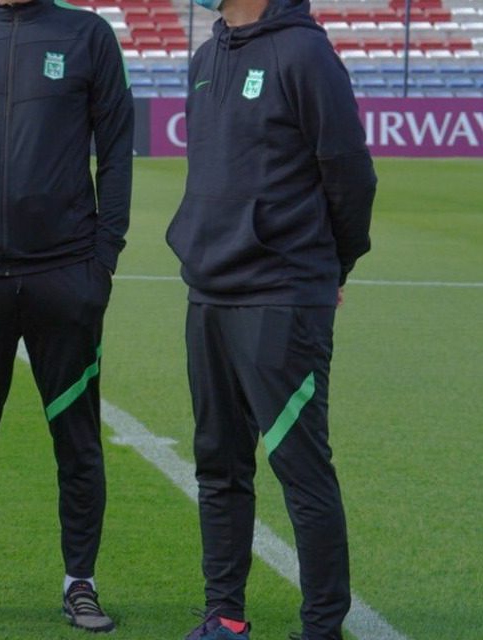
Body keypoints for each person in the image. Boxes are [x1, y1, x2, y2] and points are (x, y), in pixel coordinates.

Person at [0, 0, 133, 632]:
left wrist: (103, 259)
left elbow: (117, 151)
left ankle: (80, 583)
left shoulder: (87, 34)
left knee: (77, 440)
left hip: (65, 274)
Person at [166, 1, 376, 639]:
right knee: (219, 465)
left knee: (301, 468)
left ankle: (321, 628)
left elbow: (350, 176)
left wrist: (327, 269)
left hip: (282, 296)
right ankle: (223, 617)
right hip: (208, 292)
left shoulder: (308, 53)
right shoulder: (206, 57)